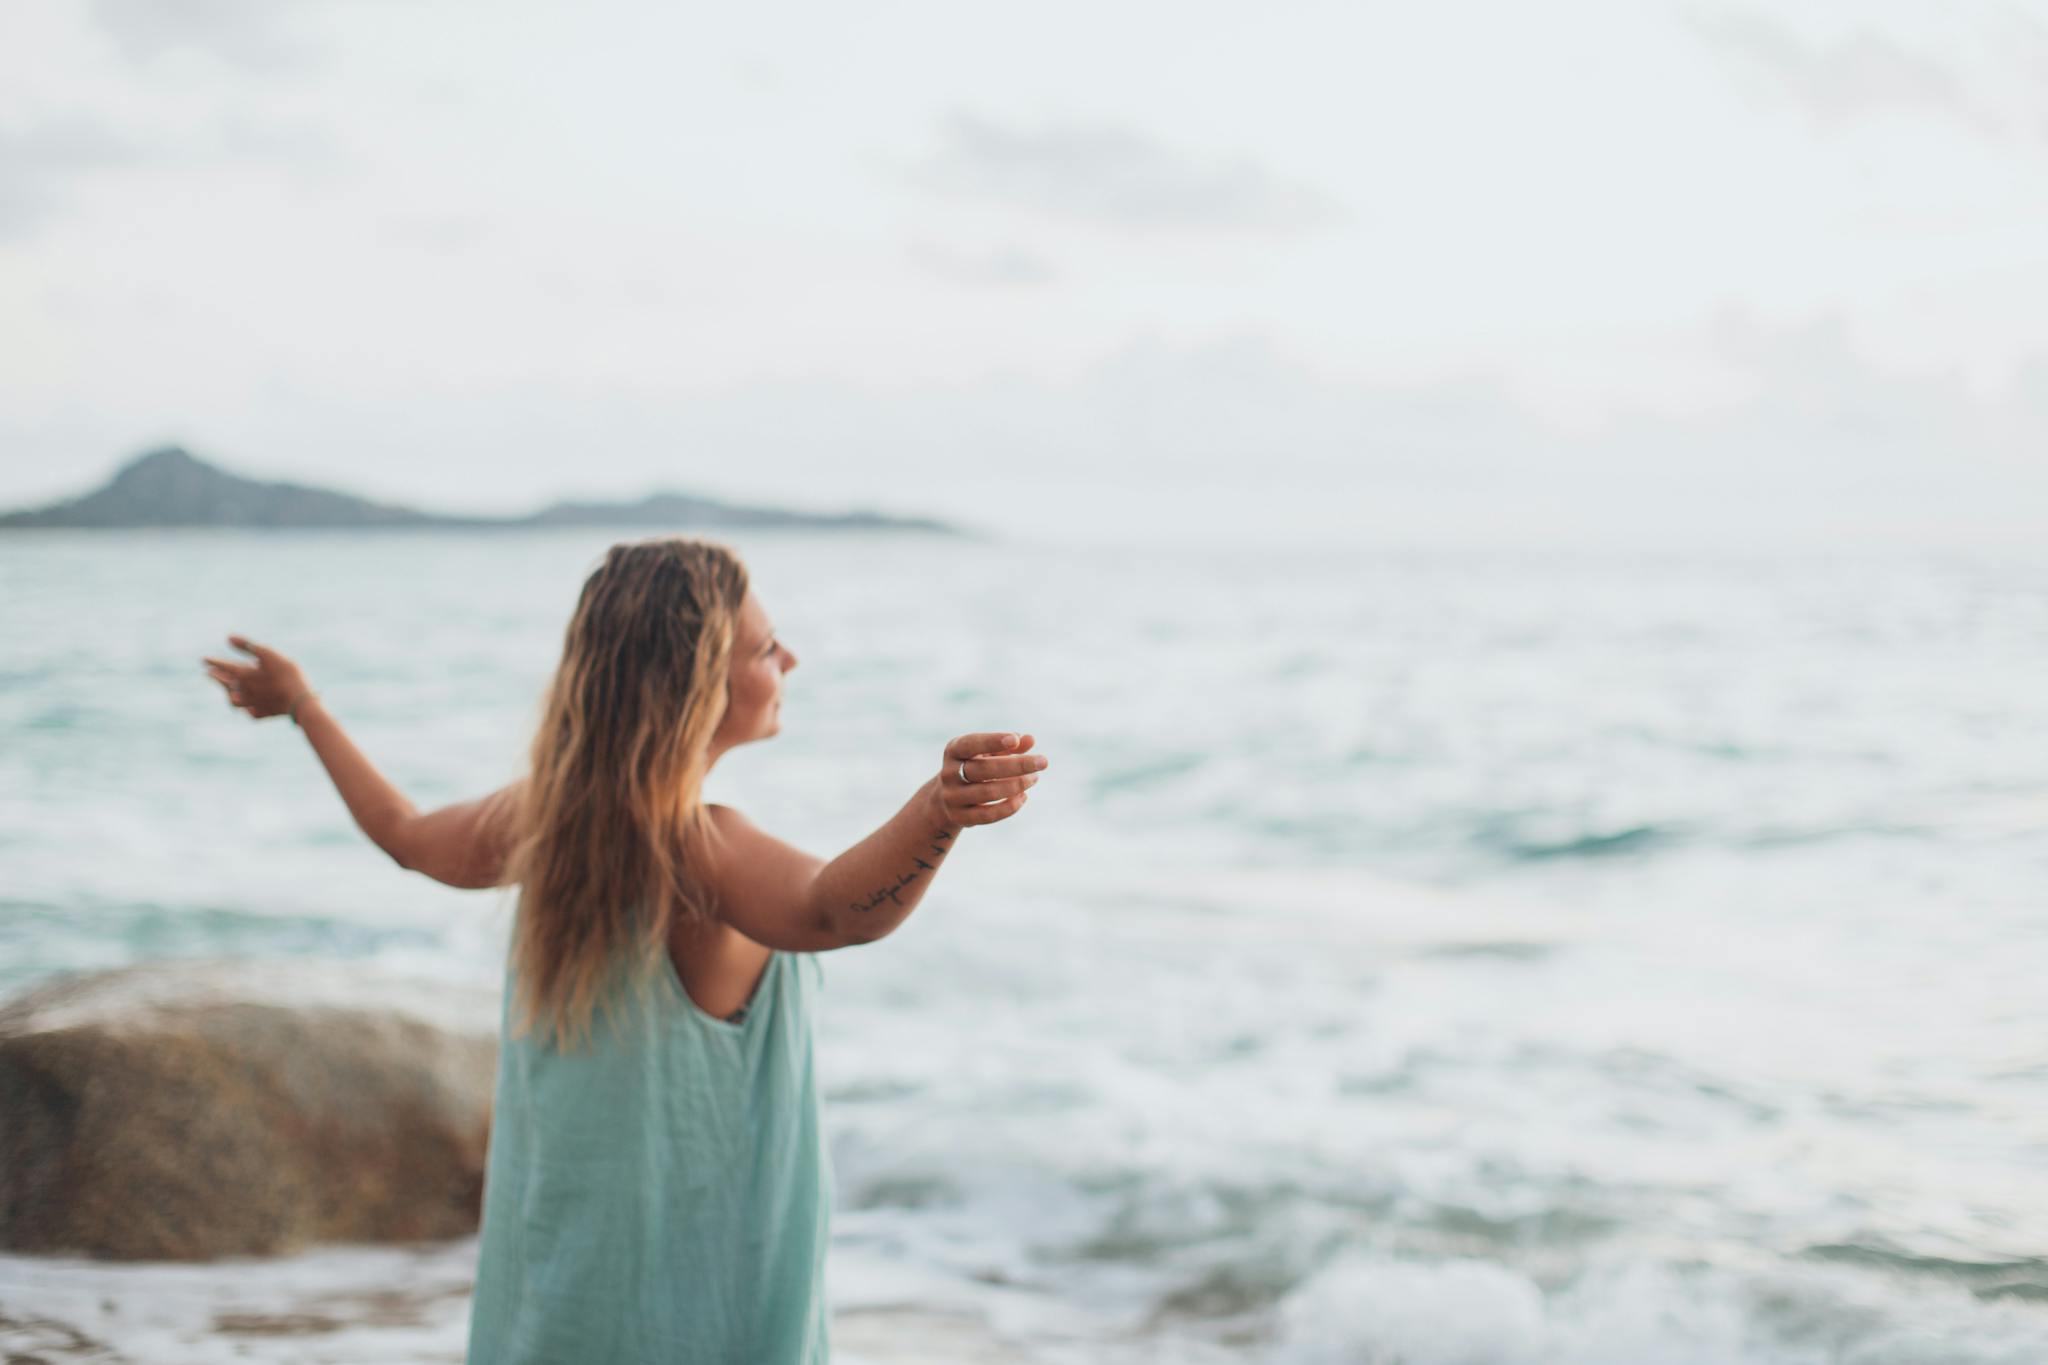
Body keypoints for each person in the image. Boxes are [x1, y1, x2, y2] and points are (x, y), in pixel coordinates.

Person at [199, 535, 1047, 1363]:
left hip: (557, 1304)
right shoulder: (700, 848)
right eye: (765, 646)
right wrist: (939, 814)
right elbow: (834, 913)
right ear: (696, 681)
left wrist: (306, 706)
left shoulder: (548, 823)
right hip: (695, 1317)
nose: (791, 659)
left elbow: (406, 836)